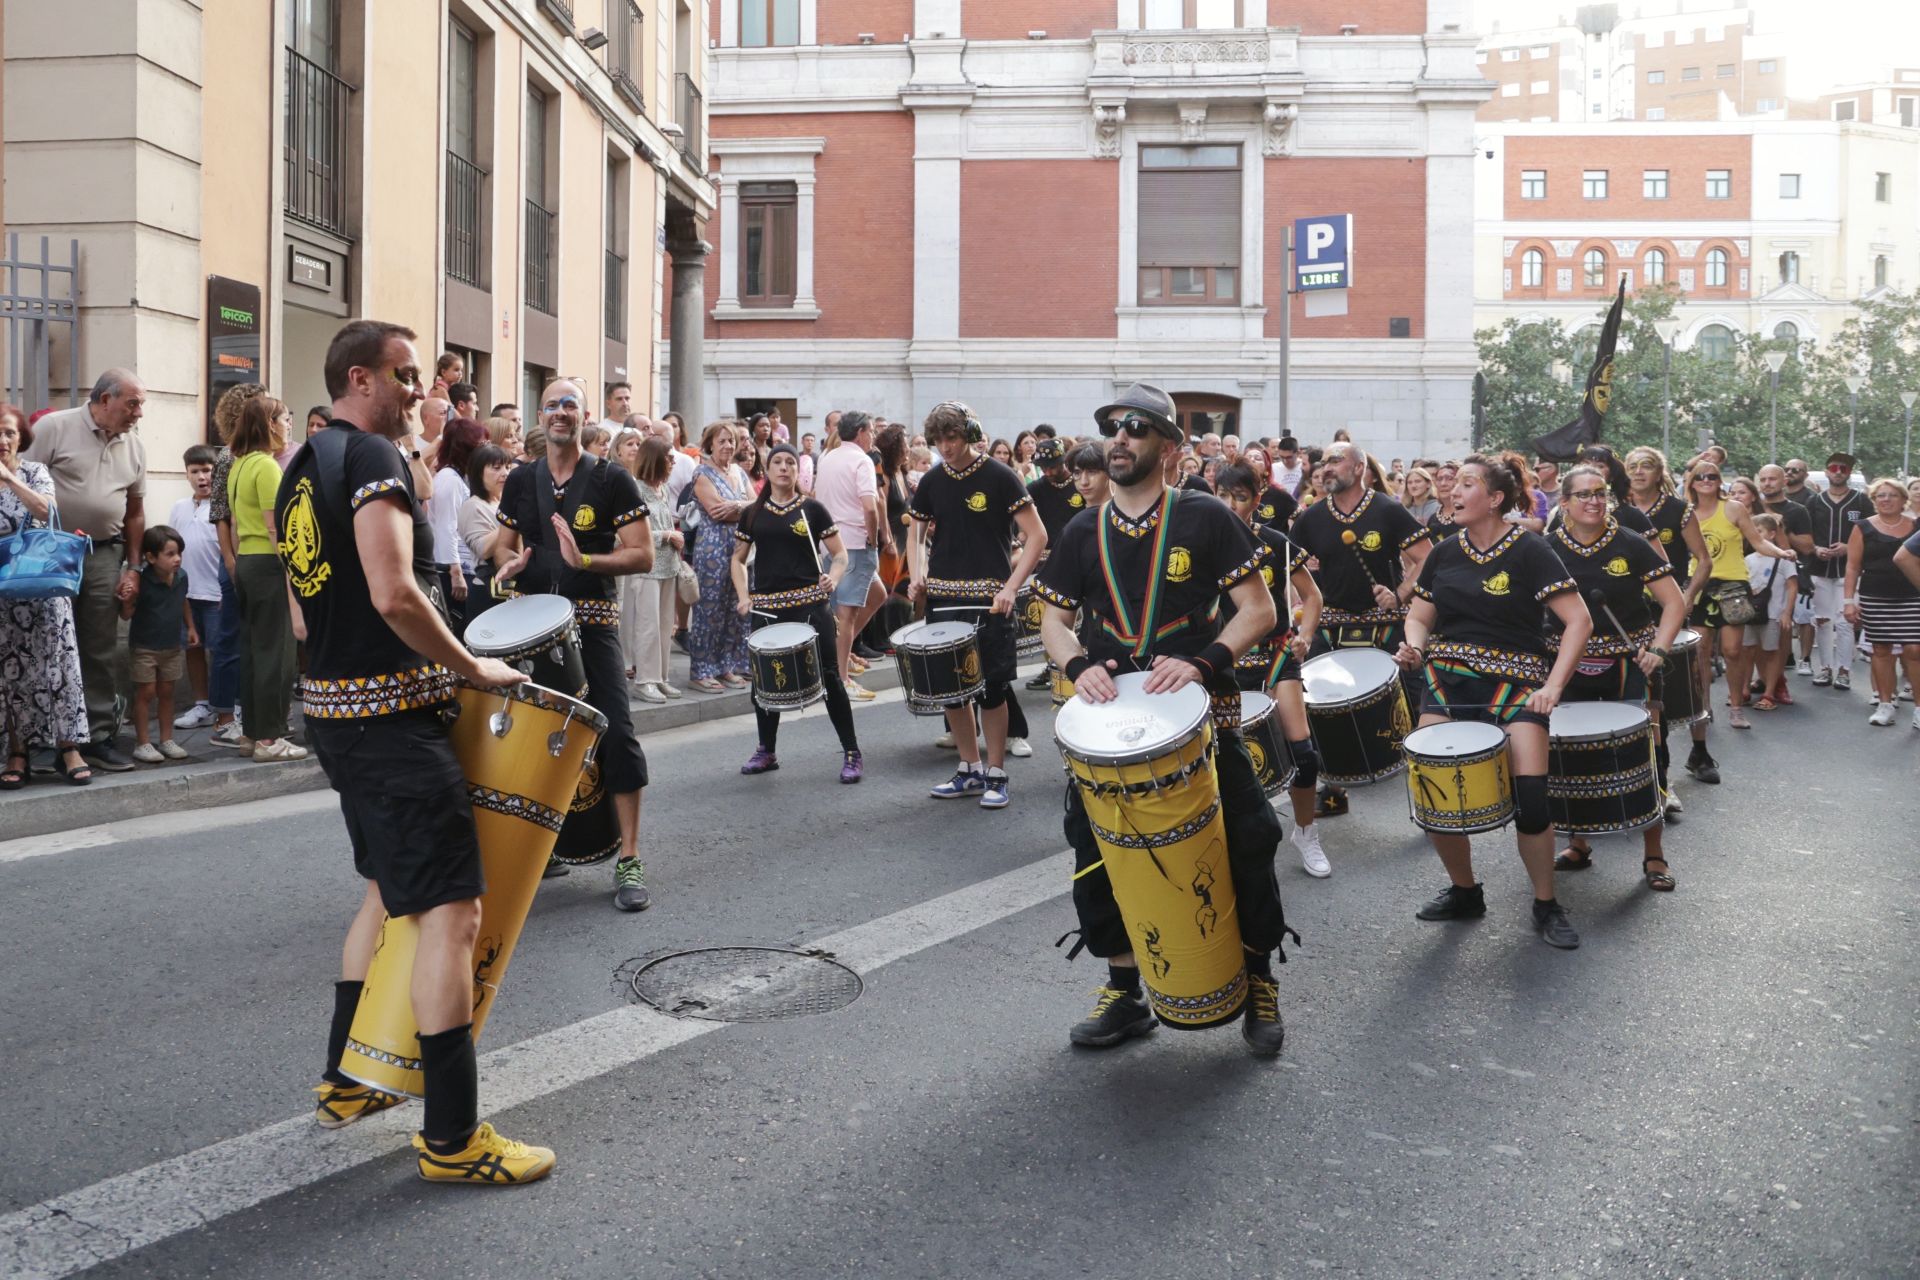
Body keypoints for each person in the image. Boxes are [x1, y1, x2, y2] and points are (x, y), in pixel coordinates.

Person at [283, 319, 552, 1183]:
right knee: (452, 912)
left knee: (384, 891)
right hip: (391, 725)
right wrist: (471, 665)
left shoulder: (302, 465)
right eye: (404, 375)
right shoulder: (372, 459)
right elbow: (395, 592)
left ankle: (347, 1083)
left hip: (338, 714)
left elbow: (301, 611)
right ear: (359, 378)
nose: (420, 391)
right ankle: (453, 1139)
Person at [1036, 381, 1292, 1055]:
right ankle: (1125, 991)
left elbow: (1260, 610)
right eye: (1112, 428)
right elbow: (1054, 620)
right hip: (1112, 726)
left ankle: (1258, 982)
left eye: (1136, 427)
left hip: (1201, 718)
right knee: (1095, 853)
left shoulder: (1205, 516)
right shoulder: (1080, 530)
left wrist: (1205, 661)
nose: (1119, 438)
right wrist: (1076, 665)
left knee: (1250, 838)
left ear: (1170, 447)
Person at [1394, 455, 1593, 949]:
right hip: (1448, 682)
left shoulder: (1530, 549)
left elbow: (1579, 620)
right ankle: (1465, 892)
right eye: (1454, 484)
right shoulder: (1444, 551)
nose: (1453, 492)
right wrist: (1414, 645)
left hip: (1517, 684)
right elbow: (1419, 615)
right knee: (1435, 796)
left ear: (1496, 498)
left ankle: (1545, 903)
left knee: (1532, 802)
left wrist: (1553, 687)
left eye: (1467, 484)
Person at [494, 377, 656, 911]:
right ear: (540, 417)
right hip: (535, 628)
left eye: (570, 405)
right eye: (551, 405)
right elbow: (503, 546)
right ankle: (545, 848)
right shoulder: (522, 478)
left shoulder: (612, 478)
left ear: (584, 418)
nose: (560, 413)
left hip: (593, 623)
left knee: (616, 732)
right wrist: (511, 562)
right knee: (541, 740)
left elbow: (642, 555)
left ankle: (629, 856)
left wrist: (584, 560)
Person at [1542, 464, 1688, 890]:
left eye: (1600, 493)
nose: (1594, 501)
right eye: (1584, 494)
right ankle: (1579, 842)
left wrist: (1658, 650)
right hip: (1566, 666)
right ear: (1564, 503)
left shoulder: (1630, 542)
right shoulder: (1546, 549)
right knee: (1568, 755)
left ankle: (1654, 854)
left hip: (1630, 666)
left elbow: (1674, 602)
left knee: (1648, 753)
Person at [908, 401, 1047, 810]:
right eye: (939, 440)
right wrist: (917, 574)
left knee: (992, 688)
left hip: (989, 601)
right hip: (943, 597)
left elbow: (1038, 536)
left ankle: (996, 772)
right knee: (952, 691)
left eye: (952, 437)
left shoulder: (1000, 476)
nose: (945, 447)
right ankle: (969, 768)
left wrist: (1011, 588)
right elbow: (915, 535)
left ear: (968, 433)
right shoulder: (932, 480)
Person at [1287, 441, 1433, 816]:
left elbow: (1426, 558)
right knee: (1322, 708)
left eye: (1336, 460)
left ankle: (1428, 799)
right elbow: (1290, 569)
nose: (1326, 467)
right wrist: (1299, 605)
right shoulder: (1311, 518)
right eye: (1323, 462)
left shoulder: (1388, 510)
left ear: (1358, 468)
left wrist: (1400, 594)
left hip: (1385, 624)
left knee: (1410, 708)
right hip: (1331, 624)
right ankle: (1334, 791)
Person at [20, 369, 148, 771]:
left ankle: (95, 737)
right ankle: (42, 739)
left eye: (141, 404)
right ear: (105, 399)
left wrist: (133, 567)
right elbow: (22, 486)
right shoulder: (55, 428)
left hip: (104, 553)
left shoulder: (135, 445)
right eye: (132, 403)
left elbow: (135, 512)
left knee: (99, 646)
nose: (138, 413)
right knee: (46, 643)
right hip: (51, 551)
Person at [1214, 461, 1330, 877]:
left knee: (1304, 755)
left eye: (1240, 497)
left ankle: (1306, 832)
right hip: (1223, 663)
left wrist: (1306, 635)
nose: (1230, 505)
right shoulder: (1199, 542)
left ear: (1257, 500)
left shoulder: (1276, 542)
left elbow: (1312, 596)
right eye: (1222, 496)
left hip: (1275, 657)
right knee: (1225, 761)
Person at [730, 446, 864, 782]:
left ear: (798, 471)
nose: (784, 467)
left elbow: (840, 555)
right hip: (767, 608)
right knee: (763, 682)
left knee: (830, 678)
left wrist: (832, 580)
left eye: (790, 462)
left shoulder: (813, 509)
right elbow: (738, 559)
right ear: (768, 469)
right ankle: (766, 749)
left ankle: (851, 751)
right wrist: (743, 596)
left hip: (810, 606)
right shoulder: (752, 513)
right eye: (777, 462)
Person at [0, 404, 92, 787]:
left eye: (9, 432)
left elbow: (47, 511)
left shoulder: (35, 472)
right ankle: (18, 752)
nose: (2, 439)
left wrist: (9, 478)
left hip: (43, 586)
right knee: (10, 672)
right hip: (3, 595)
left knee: (58, 664)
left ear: (21, 437)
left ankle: (69, 749)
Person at [1622, 445, 1715, 798]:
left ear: (1659, 472)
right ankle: (1655, 775)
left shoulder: (1678, 510)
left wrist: (1686, 597)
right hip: (1631, 610)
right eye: (1632, 465)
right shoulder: (1617, 510)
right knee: (1648, 694)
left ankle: (1700, 749)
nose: (1639, 471)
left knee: (1686, 681)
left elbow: (1703, 560)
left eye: (1646, 465)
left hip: (1668, 607)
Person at [1680, 457, 1795, 734]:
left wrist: (1781, 552)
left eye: (1712, 476)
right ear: (1691, 483)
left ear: (1720, 481)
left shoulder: (1733, 508)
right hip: (1699, 584)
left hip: (1733, 583)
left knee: (1733, 651)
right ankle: (1703, 708)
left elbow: (1757, 541)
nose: (1706, 481)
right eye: (1700, 477)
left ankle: (1735, 707)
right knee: (1701, 651)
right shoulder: (1685, 512)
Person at [226, 396, 307, 762]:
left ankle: (252, 733)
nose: (289, 425)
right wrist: (291, 571)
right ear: (270, 424)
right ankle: (270, 739)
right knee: (277, 653)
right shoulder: (267, 466)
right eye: (284, 418)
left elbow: (236, 522)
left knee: (254, 651)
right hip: (270, 563)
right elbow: (276, 527)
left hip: (247, 560)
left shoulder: (240, 464)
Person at [815, 411, 891, 700]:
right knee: (846, 614)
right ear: (860, 432)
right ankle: (841, 678)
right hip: (854, 544)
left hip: (832, 542)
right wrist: (873, 536)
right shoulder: (861, 460)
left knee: (877, 595)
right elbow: (870, 506)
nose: (873, 436)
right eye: (871, 431)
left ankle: (840, 655)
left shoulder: (828, 457)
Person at [1843, 478, 1920, 728]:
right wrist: (1849, 601)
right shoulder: (1862, 527)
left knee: (1914, 650)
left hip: (1913, 595)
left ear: (1903, 499)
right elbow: (1852, 566)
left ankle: (1919, 709)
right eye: (1881, 496)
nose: (1886, 500)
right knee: (1881, 649)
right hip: (1875, 596)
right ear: (1874, 501)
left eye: (1892, 495)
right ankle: (1885, 704)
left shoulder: (1916, 525)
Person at [686, 421, 754, 692]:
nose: (727, 445)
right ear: (710, 444)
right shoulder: (702, 472)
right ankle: (701, 670)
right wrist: (745, 507)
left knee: (736, 609)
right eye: (722, 440)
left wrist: (736, 506)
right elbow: (716, 511)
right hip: (712, 549)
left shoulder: (739, 472)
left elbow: (758, 504)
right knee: (709, 610)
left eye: (731, 440)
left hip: (741, 548)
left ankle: (726, 665)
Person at [168, 445, 233, 733]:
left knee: (222, 652)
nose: (202, 477)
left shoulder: (223, 507)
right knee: (192, 649)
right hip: (187, 595)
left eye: (207, 470)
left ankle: (227, 707)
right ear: (187, 475)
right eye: (195, 471)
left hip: (217, 594)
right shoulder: (179, 507)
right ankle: (201, 704)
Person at [121, 526, 196, 763]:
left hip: (172, 646)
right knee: (146, 692)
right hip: (144, 647)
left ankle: (166, 740)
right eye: (170, 554)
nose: (177, 559)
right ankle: (142, 743)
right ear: (151, 557)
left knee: (167, 693)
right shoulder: (142, 580)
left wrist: (191, 627)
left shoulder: (182, 577)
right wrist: (126, 600)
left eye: (179, 553)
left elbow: (183, 601)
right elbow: (126, 614)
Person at [1805, 452, 1875, 692]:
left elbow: (1871, 532)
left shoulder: (1861, 501)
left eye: (1843, 469)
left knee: (1846, 621)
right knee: (1822, 620)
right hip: (1820, 569)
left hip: (1850, 571)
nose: (1838, 472)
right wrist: (1815, 549)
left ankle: (1844, 670)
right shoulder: (1815, 501)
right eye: (1834, 468)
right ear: (1826, 471)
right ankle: (1825, 667)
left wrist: (1849, 547)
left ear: (1849, 473)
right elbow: (1806, 534)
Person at [625, 436, 685, 702]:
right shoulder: (634, 489)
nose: (673, 463)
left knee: (664, 625)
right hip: (645, 566)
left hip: (668, 565)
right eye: (669, 458)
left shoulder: (662, 489)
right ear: (655, 460)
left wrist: (672, 537)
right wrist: (667, 536)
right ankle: (645, 680)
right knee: (648, 625)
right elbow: (625, 533)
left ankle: (661, 678)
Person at [1022, 438, 1085, 690]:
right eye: (1043, 467)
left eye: (1053, 466)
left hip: (1079, 558)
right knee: (1050, 618)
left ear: (1063, 461)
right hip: (1047, 562)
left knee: (1082, 618)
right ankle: (1053, 665)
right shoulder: (1036, 488)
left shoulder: (1079, 484)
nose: (1048, 472)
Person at [1738, 512, 1799, 716]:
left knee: (1771, 652)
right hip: (1750, 613)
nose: (1756, 536)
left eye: (1760, 531)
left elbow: (1792, 586)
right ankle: (1744, 689)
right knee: (1747, 651)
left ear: (1772, 534)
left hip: (1773, 613)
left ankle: (1769, 693)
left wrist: (1787, 613)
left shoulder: (1783, 559)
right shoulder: (1748, 559)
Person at [428, 418, 485, 618]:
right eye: (481, 444)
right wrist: (456, 573)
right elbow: (447, 528)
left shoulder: (459, 477)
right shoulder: (449, 480)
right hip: (453, 569)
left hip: (463, 566)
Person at [456, 444, 509, 629]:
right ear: (478, 473)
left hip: (511, 592)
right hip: (488, 592)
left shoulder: (503, 502)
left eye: (507, 467)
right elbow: (483, 549)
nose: (505, 473)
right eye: (496, 468)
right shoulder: (473, 506)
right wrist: (511, 518)